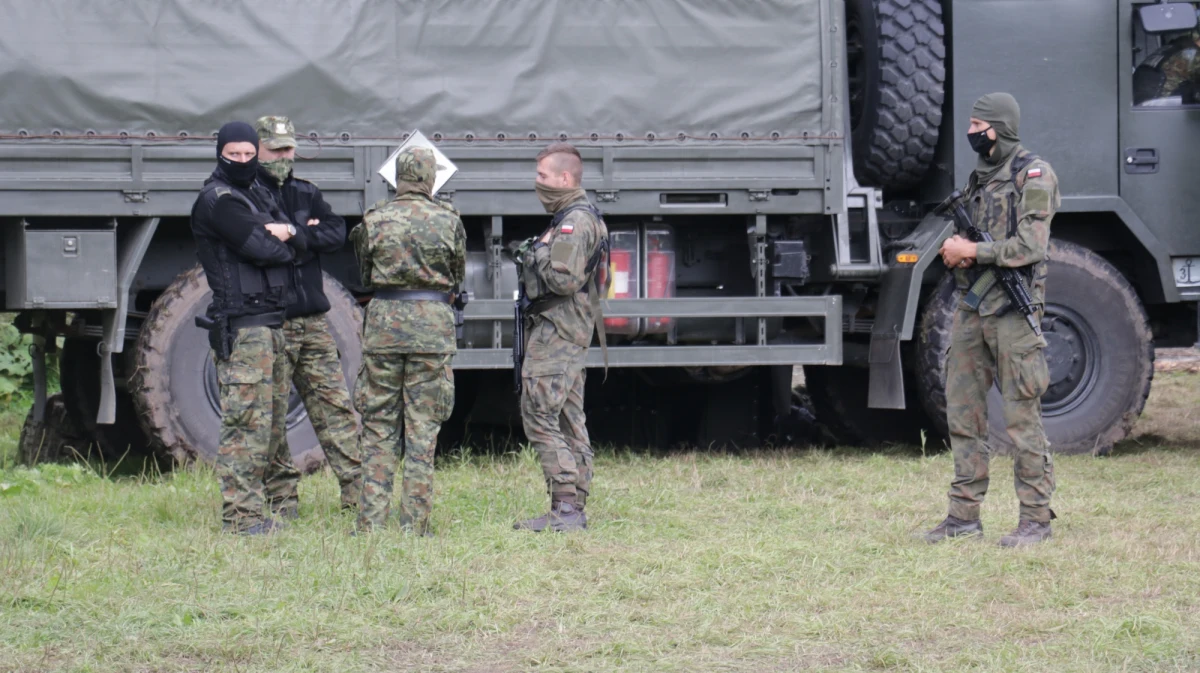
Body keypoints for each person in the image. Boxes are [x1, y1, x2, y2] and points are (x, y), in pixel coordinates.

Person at [925, 93, 1061, 547]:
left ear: (998, 129)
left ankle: (1036, 520)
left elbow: (1030, 247)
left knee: (1022, 420)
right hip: (972, 309)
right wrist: (960, 253)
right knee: (963, 413)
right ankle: (963, 518)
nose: (971, 132)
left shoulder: (1034, 175)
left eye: (978, 124)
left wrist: (974, 251)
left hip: (1013, 317)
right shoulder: (979, 179)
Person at [190, 121, 307, 534]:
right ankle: (241, 517)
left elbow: (297, 243)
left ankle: (277, 506)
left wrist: (286, 234)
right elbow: (264, 248)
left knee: (273, 423)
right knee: (246, 425)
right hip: (244, 328)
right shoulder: (218, 200)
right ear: (220, 153)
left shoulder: (256, 192)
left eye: (247, 154)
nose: (241, 161)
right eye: (233, 155)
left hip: (272, 324)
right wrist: (283, 237)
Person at [349, 147, 466, 535]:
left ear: (397, 178)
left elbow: (366, 274)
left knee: (378, 423)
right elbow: (457, 273)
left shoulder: (375, 219)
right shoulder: (448, 220)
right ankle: (415, 524)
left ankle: (371, 522)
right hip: (431, 328)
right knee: (423, 427)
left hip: (384, 326)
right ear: (431, 177)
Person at [254, 115, 363, 514]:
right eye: (277, 149)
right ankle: (282, 499)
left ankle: (358, 494)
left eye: (289, 148)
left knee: (335, 407)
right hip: (271, 321)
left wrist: (295, 234)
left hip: (313, 321)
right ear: (258, 149)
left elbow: (336, 234)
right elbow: (257, 244)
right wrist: (303, 238)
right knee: (272, 414)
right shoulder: (244, 195)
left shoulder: (305, 192)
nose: (286, 156)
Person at [513, 143, 608, 534]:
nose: (538, 184)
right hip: (569, 328)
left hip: (558, 328)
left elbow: (564, 280)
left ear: (564, 179)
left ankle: (565, 506)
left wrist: (532, 256)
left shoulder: (573, 222)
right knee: (569, 417)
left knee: (538, 413)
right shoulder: (575, 217)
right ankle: (575, 506)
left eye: (543, 176)